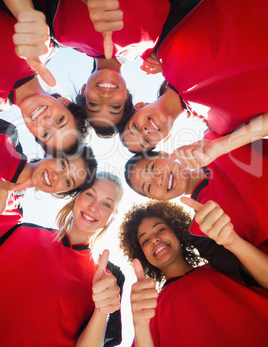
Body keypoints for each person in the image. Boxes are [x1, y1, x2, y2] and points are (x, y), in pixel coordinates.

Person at [13, 0, 237, 135]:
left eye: (93, 104)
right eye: (115, 106)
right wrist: (170, 57)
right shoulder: (159, 46)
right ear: (128, 94)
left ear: (83, 90)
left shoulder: (57, 32)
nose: (105, 96)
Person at [121, 0, 268, 154]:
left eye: (135, 127)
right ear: (166, 138)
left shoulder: (165, 41)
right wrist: (221, 146)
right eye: (146, 141)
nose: (145, 131)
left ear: (139, 106)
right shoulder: (223, 131)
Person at [119, 200, 268, 347]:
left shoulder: (224, 264)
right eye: (145, 241)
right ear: (142, 254)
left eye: (160, 229)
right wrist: (139, 325)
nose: (154, 239)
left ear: (177, 231)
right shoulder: (150, 312)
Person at [0, 171, 125, 346]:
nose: (94, 207)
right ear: (76, 196)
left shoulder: (109, 277)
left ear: (113, 216)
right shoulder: (17, 230)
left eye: (106, 204)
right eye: (89, 194)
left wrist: (101, 310)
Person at [124, 129, 268, 278]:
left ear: (165, 154)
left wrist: (223, 144)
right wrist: (232, 241)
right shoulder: (202, 232)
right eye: (148, 187)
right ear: (156, 198)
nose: (158, 180)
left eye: (153, 168)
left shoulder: (213, 137)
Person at [0, 0, 90, 154]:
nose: (46, 122)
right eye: (60, 120)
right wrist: (26, 14)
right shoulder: (44, 41)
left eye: (46, 134)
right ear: (63, 102)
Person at [0, 118, 97, 215]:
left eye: (67, 181)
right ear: (52, 151)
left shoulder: (13, 216)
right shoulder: (6, 135)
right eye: (62, 165)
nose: (55, 176)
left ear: (62, 192)